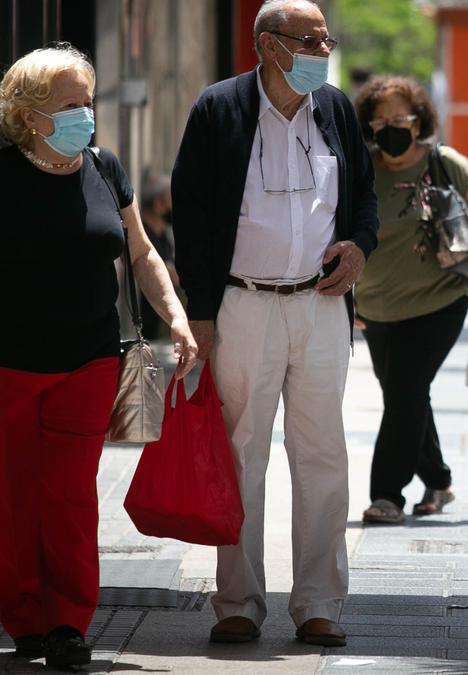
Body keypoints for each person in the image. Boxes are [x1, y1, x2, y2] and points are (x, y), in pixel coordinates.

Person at [0, 45, 197, 668]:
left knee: (72, 496)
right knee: (14, 494)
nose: (86, 114)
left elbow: (140, 253)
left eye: (88, 101)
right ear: (32, 115)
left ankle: (68, 623)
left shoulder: (105, 168)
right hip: (6, 365)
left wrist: (178, 318)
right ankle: (24, 617)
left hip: (89, 359)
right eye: (71, 104)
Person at [170, 0, 378, 648]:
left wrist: (359, 246)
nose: (322, 50)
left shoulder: (337, 109)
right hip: (242, 305)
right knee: (240, 454)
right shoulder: (218, 108)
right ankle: (237, 601)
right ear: (267, 45)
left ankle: (319, 602)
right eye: (308, 40)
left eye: (325, 39)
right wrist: (198, 315)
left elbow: (365, 197)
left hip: (319, 307)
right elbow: (192, 214)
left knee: (322, 455)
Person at [352, 76, 468, 524]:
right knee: (408, 396)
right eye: (380, 120)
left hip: (439, 303)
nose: (390, 128)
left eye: (399, 118)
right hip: (376, 308)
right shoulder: (359, 168)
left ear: (419, 119)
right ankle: (439, 481)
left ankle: (387, 495)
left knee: (403, 393)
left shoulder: (444, 163)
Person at [138, 172, 177, 340]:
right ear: (158, 204)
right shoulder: (142, 234)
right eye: (170, 200)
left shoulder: (163, 233)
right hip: (149, 314)